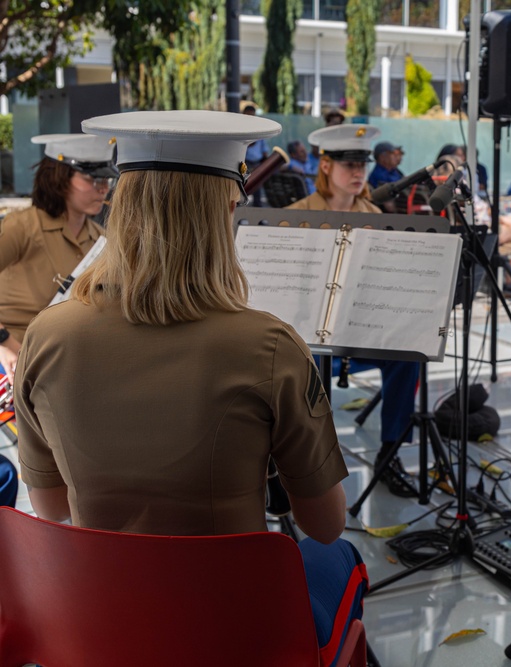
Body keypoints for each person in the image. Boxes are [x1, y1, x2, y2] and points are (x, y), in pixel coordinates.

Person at [14, 109, 367, 666]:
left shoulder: (45, 335)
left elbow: (50, 505)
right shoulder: (270, 346)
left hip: (97, 621)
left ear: (121, 205)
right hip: (228, 632)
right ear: (226, 209)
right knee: (343, 556)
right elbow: (324, 525)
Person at [288, 124, 421, 497]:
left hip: (358, 330)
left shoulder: (375, 214)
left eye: (362, 163)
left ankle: (391, 451)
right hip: (306, 333)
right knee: (303, 362)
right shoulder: (294, 215)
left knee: (407, 356)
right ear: (326, 166)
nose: (359, 172)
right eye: (349, 164)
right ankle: (300, 459)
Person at [0, 134, 116, 377]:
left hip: (68, 367)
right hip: (12, 367)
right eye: (91, 178)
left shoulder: (102, 239)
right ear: (59, 178)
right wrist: (4, 344)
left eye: (105, 178)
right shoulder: (20, 227)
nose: (103, 188)